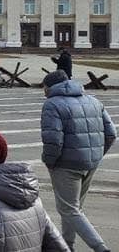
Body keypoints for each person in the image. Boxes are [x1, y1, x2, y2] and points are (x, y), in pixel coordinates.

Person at [40, 70, 116, 252]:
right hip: (91, 163)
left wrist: (50, 161)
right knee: (75, 208)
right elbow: (111, 134)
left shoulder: (52, 104)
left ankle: (101, 248)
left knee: (69, 209)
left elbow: (53, 140)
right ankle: (67, 245)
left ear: (50, 87)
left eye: (44, 87)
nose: (43, 91)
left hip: (66, 165)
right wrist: (95, 155)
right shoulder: (93, 100)